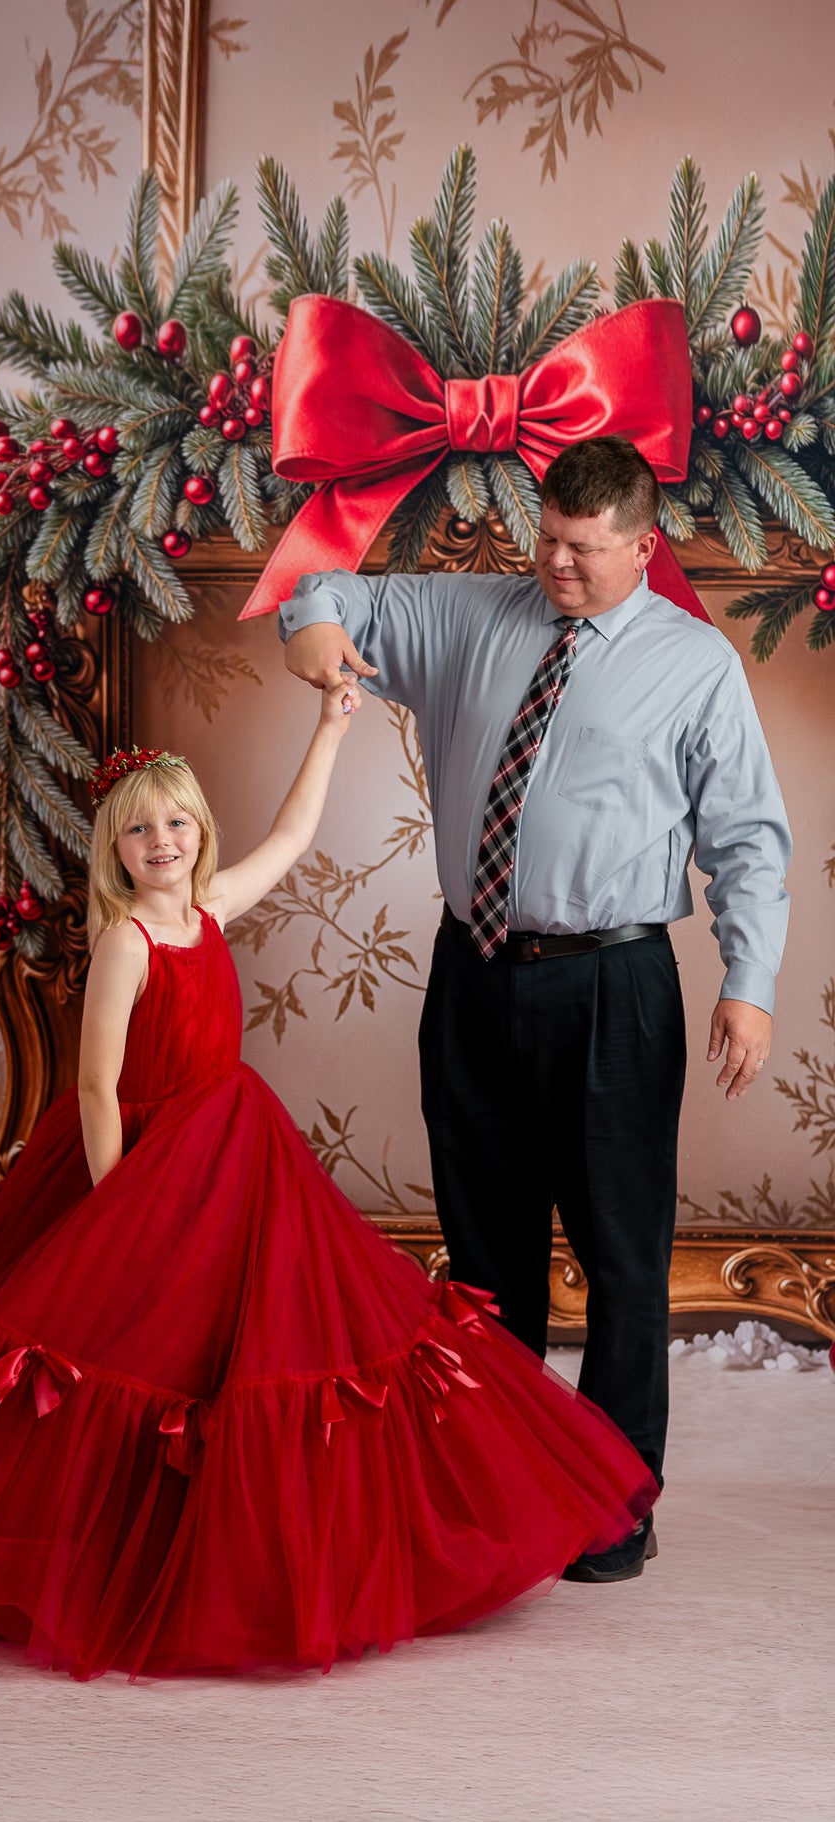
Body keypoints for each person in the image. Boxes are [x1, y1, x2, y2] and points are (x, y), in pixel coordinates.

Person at [0, 684, 658, 1678]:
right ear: (113, 846)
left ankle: (234, 1544)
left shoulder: (209, 906)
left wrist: (329, 728)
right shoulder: (126, 940)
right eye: (141, 828)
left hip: (236, 1150)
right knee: (92, 1353)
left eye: (179, 822)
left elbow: (290, 835)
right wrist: (121, 1204)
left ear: (200, 832)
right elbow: (98, 1085)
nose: (164, 840)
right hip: (142, 1163)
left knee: (249, 1346)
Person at [279, 434, 792, 1581]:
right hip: (472, 975)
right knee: (486, 1254)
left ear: (643, 547)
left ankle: (613, 1502)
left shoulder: (695, 663)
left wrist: (748, 988)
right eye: (549, 540)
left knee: (620, 1252)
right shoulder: (473, 616)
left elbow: (749, 840)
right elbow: (328, 589)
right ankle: (496, 1482)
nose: (558, 566)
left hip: (614, 984)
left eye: (587, 552)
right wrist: (314, 630)